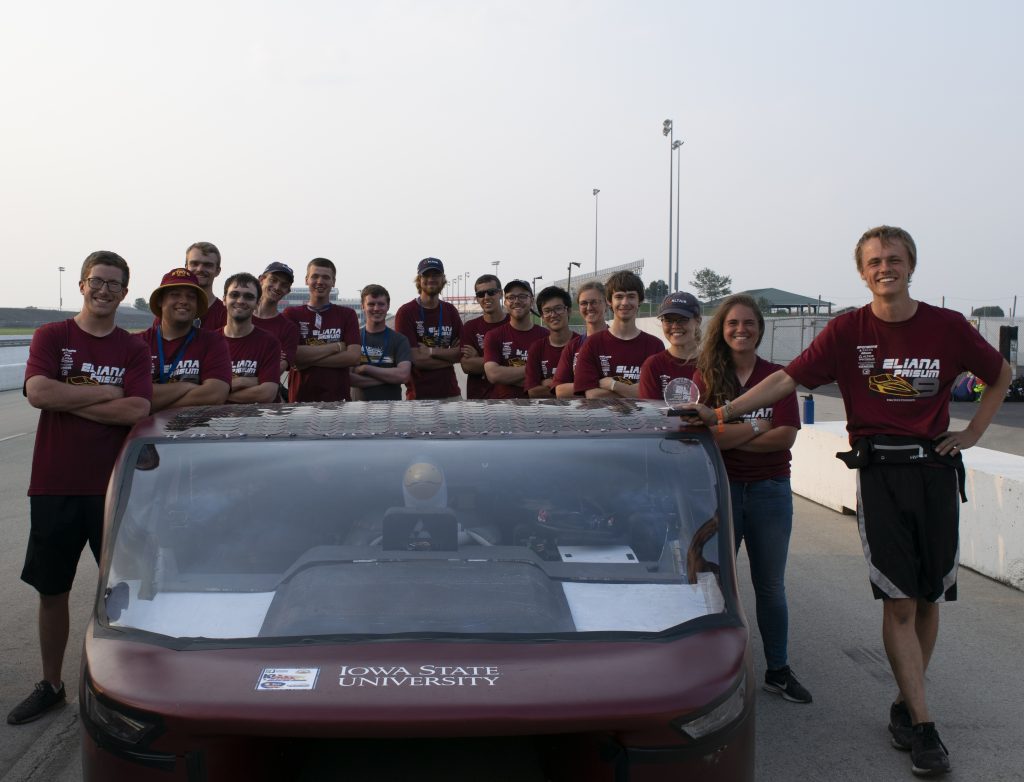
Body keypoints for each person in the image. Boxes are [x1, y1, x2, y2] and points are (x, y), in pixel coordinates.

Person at [685, 226, 1011, 776]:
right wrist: (722, 413)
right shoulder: (846, 332)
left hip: (934, 473)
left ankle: (908, 703)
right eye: (875, 261)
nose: (886, 268)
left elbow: (1000, 377)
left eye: (895, 259)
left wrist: (973, 434)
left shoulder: (948, 327)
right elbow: (786, 380)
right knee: (900, 602)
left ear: (912, 265)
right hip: (881, 474)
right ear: (862, 273)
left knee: (930, 599)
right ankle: (926, 725)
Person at [9, 251, 152, 725]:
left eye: (114, 284)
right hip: (54, 485)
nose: (105, 290)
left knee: (123, 593)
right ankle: (51, 685)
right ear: (83, 285)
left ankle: (129, 689)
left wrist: (71, 397)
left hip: (114, 487)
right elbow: (38, 393)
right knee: (53, 591)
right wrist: (105, 394)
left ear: (124, 291)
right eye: (98, 281)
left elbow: (136, 410)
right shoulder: (53, 335)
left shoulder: (132, 347)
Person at [695, 294, 811, 706]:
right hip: (720, 491)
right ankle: (709, 673)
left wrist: (739, 434)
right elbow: (706, 437)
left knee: (770, 586)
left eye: (749, 323)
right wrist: (758, 426)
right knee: (714, 583)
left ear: (760, 329)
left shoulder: (776, 375)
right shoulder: (706, 376)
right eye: (732, 324)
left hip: (769, 492)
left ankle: (778, 670)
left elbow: (787, 436)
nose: (741, 330)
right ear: (721, 330)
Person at [139, 268, 231, 412]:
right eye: (175, 295)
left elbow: (215, 395)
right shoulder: (137, 344)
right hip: (146, 432)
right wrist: (187, 386)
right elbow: (133, 394)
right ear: (160, 301)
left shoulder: (213, 342)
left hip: (196, 431)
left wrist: (152, 405)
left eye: (191, 297)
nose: (183, 301)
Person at [573, 270, 663, 398]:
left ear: (640, 300)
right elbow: (592, 395)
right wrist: (635, 391)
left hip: (643, 418)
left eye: (631, 296)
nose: (625, 303)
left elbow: (654, 395)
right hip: (603, 418)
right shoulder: (592, 344)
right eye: (619, 297)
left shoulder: (655, 346)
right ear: (609, 301)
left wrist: (613, 385)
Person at [282, 258, 361, 402]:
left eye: (326, 277)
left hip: (338, 401)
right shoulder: (291, 314)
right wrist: (336, 347)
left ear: (333, 282)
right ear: (306, 280)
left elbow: (354, 357)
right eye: (315, 276)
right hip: (301, 401)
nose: (320, 281)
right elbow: (294, 356)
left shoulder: (347, 314)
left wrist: (306, 360)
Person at [394, 258, 463, 399]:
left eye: (436, 275)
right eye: (426, 275)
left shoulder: (450, 310)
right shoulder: (406, 312)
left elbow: (462, 353)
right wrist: (450, 356)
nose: (431, 279)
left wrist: (430, 351)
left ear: (443, 279)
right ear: (419, 279)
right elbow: (417, 360)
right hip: (419, 396)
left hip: (451, 394)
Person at [222, 273, 282, 404]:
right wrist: (249, 381)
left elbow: (267, 394)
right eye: (234, 295)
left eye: (248, 297)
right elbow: (199, 389)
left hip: (257, 421)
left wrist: (218, 393)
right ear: (224, 299)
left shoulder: (269, 342)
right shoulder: (210, 342)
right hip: (216, 421)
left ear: (257, 303)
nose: (240, 301)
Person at [483, 280, 549, 399]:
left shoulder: (546, 336)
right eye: (511, 297)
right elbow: (493, 375)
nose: (517, 301)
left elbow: (552, 379)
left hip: (539, 408)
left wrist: (508, 377)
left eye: (522, 296)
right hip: (504, 409)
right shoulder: (494, 335)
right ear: (505, 303)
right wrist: (535, 372)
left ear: (532, 301)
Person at [350, 284, 412, 401]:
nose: (376, 308)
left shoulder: (400, 340)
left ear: (388, 306)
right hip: (359, 412)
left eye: (381, 304)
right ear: (362, 306)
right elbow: (348, 378)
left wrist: (366, 369)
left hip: (391, 412)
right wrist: (388, 379)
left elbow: (403, 376)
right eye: (371, 304)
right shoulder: (353, 337)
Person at [639, 291, 702, 400]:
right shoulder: (653, 365)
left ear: (698, 321)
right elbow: (650, 413)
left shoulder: (712, 364)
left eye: (682, 319)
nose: (675, 326)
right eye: (668, 320)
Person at [553, 281, 608, 398]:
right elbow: (560, 391)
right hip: (583, 414)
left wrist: (579, 388)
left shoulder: (619, 341)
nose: (589, 307)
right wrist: (607, 385)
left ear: (607, 304)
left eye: (594, 302)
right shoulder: (573, 346)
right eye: (584, 303)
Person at [460, 274, 508, 399]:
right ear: (477, 298)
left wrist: (479, 358)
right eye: (481, 294)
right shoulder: (470, 327)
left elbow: (527, 363)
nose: (486, 297)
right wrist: (509, 361)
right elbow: (466, 366)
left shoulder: (514, 324)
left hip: (510, 400)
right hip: (478, 401)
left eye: (491, 292)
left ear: (500, 294)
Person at [253, 262, 301, 381]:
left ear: (288, 291)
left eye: (284, 285)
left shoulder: (288, 328)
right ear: (261, 280)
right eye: (273, 280)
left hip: (267, 395)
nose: (277, 287)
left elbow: (275, 372)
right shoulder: (238, 317)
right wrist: (269, 357)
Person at [525, 286, 574, 398]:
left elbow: (588, 389)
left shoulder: (583, 344)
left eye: (558, 308)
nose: (553, 314)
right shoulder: (537, 348)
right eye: (547, 311)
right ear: (542, 316)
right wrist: (569, 386)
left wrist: (549, 384)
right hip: (545, 413)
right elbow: (533, 392)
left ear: (569, 311)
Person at [185, 241, 228, 331]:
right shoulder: (170, 310)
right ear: (186, 268)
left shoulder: (226, 314)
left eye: (207, 265)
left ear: (217, 271)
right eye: (194, 264)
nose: (200, 269)